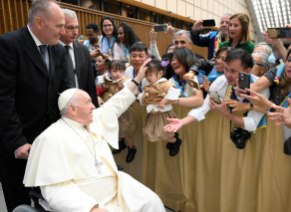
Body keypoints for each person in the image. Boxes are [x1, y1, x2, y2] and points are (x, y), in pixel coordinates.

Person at [23, 59, 166, 212]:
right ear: (72, 109)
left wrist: (138, 79)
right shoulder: (51, 138)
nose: (93, 106)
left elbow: (118, 101)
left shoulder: (95, 119)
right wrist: (91, 208)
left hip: (118, 189)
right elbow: (56, 190)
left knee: (152, 202)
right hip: (87, 201)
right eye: (88, 102)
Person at [0, 0, 70, 211]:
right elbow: (4, 99)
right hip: (19, 144)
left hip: (48, 141)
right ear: (40, 22)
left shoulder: (58, 50)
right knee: (19, 200)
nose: (63, 31)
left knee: (49, 199)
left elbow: (64, 93)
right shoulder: (8, 45)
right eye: (59, 26)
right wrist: (17, 141)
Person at [164, 50, 270, 147]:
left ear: (247, 71)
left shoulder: (261, 89)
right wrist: (182, 121)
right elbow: (203, 108)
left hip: (252, 145)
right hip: (222, 139)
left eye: (233, 71)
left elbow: (252, 124)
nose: (228, 75)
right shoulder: (221, 81)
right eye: (226, 69)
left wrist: (226, 114)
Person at [137, 59, 182, 156]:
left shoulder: (164, 83)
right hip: (152, 114)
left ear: (160, 73)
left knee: (158, 134)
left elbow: (175, 92)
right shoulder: (146, 83)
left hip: (162, 113)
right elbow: (144, 95)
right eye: (146, 74)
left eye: (150, 74)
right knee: (151, 133)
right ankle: (172, 139)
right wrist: (142, 100)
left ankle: (174, 141)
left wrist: (164, 101)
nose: (148, 77)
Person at [59, 9, 98, 107]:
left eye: (77, 27)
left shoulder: (84, 51)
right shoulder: (49, 50)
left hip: (82, 107)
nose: (76, 32)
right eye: (70, 28)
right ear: (59, 27)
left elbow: (90, 85)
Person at [100, 61, 138, 163]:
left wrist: (124, 90)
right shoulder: (108, 80)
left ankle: (131, 148)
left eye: (120, 71)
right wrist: (105, 86)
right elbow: (103, 85)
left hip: (123, 111)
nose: (117, 74)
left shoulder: (126, 81)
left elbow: (131, 93)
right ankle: (120, 144)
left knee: (125, 131)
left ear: (124, 72)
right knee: (115, 128)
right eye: (115, 71)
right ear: (109, 71)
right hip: (113, 110)